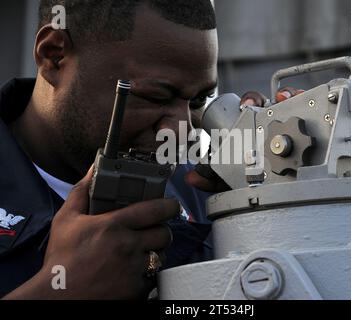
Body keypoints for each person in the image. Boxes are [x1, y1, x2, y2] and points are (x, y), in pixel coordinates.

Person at [0, 0, 300, 299]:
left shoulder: (202, 198)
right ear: (54, 56)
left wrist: (272, 202)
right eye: (155, 97)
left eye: (198, 101)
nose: (181, 133)